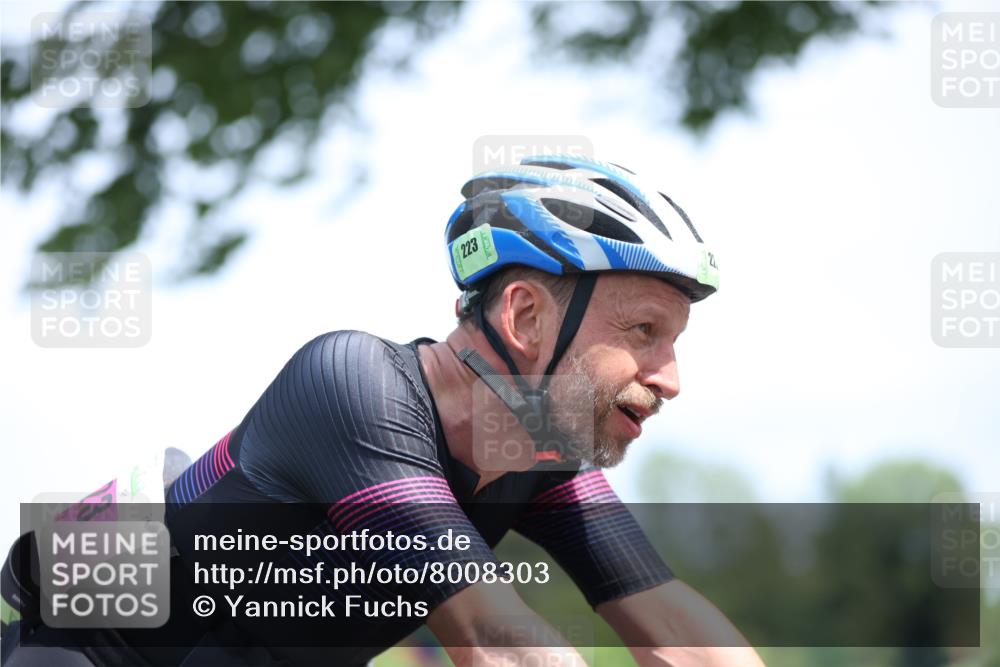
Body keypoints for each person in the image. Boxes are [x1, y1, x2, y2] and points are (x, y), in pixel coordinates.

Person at [2, 154, 763, 667]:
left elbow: (675, 630)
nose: (669, 377)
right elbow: (500, 642)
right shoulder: (354, 387)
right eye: (642, 333)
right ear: (526, 317)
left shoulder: (536, 451)